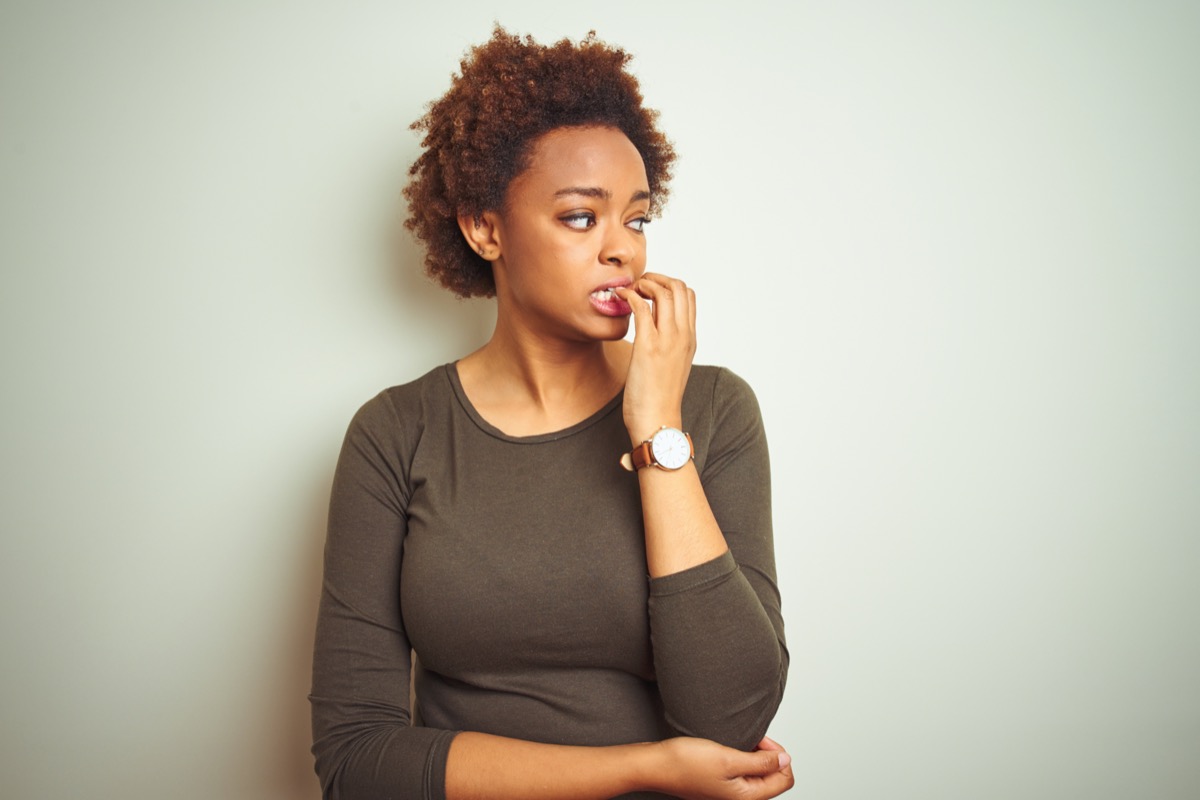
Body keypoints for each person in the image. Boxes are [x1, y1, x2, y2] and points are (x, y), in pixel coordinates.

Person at [310, 27, 791, 800]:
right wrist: (638, 768)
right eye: (579, 217)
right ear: (484, 228)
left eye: (635, 219)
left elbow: (733, 717)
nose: (623, 252)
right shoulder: (397, 435)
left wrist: (658, 428)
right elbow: (356, 760)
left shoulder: (712, 408)